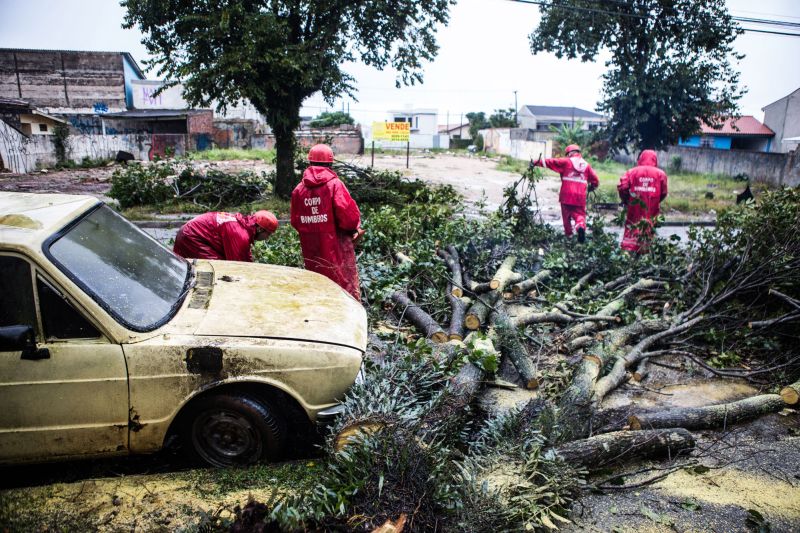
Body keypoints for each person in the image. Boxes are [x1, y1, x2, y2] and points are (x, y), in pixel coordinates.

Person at [291, 144, 364, 301]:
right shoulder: (334, 185)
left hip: (310, 249)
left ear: (310, 163)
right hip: (336, 248)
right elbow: (349, 218)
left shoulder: (298, 190)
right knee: (343, 287)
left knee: (317, 286)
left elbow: (295, 221)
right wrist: (353, 229)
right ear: (330, 163)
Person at [533, 144, 599, 243]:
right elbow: (595, 181)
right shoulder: (587, 165)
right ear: (578, 152)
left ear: (569, 153)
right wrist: (591, 187)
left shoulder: (566, 162)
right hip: (580, 196)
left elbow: (551, 162)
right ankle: (580, 226)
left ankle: (569, 236)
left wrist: (535, 162)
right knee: (579, 215)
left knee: (566, 216)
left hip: (566, 195)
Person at [173, 210, 278, 262]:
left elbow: (245, 255)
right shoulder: (241, 235)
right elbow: (238, 265)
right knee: (217, 268)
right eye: (268, 233)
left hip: (189, 231)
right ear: (260, 229)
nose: (268, 237)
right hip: (192, 236)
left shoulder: (243, 226)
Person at [617, 149, 668, 253]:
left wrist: (626, 200)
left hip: (634, 207)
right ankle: (645, 253)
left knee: (632, 225)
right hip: (651, 208)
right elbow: (664, 193)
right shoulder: (661, 174)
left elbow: (622, 187)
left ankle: (629, 254)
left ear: (640, 158)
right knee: (648, 227)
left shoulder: (631, 172)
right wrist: (656, 201)